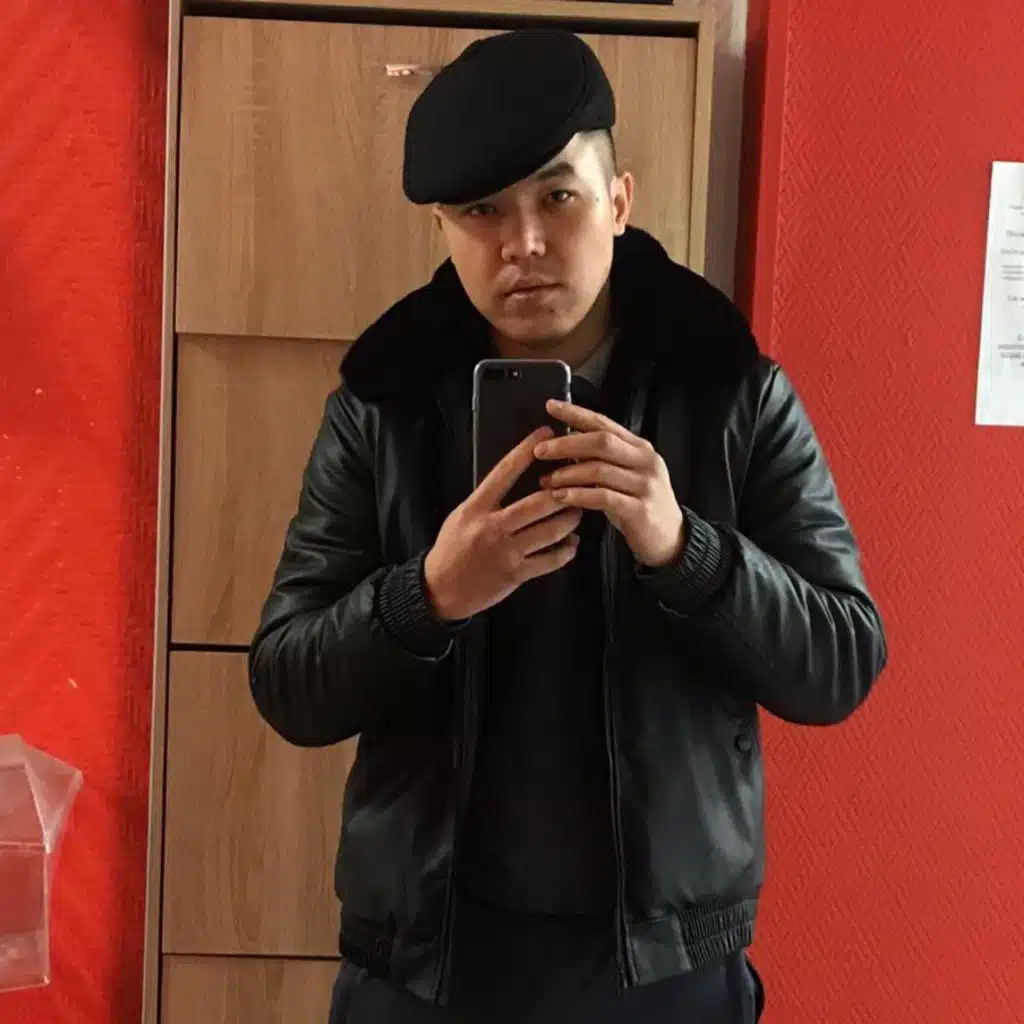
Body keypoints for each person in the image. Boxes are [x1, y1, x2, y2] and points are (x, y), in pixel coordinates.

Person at [248, 27, 887, 1024]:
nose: (524, 244)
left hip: (663, 966)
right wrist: (428, 597)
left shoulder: (730, 391)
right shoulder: (383, 405)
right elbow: (288, 682)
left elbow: (841, 660)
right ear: (443, 228)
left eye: (558, 198)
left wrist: (686, 549)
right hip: (426, 963)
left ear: (620, 202)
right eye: (481, 211)